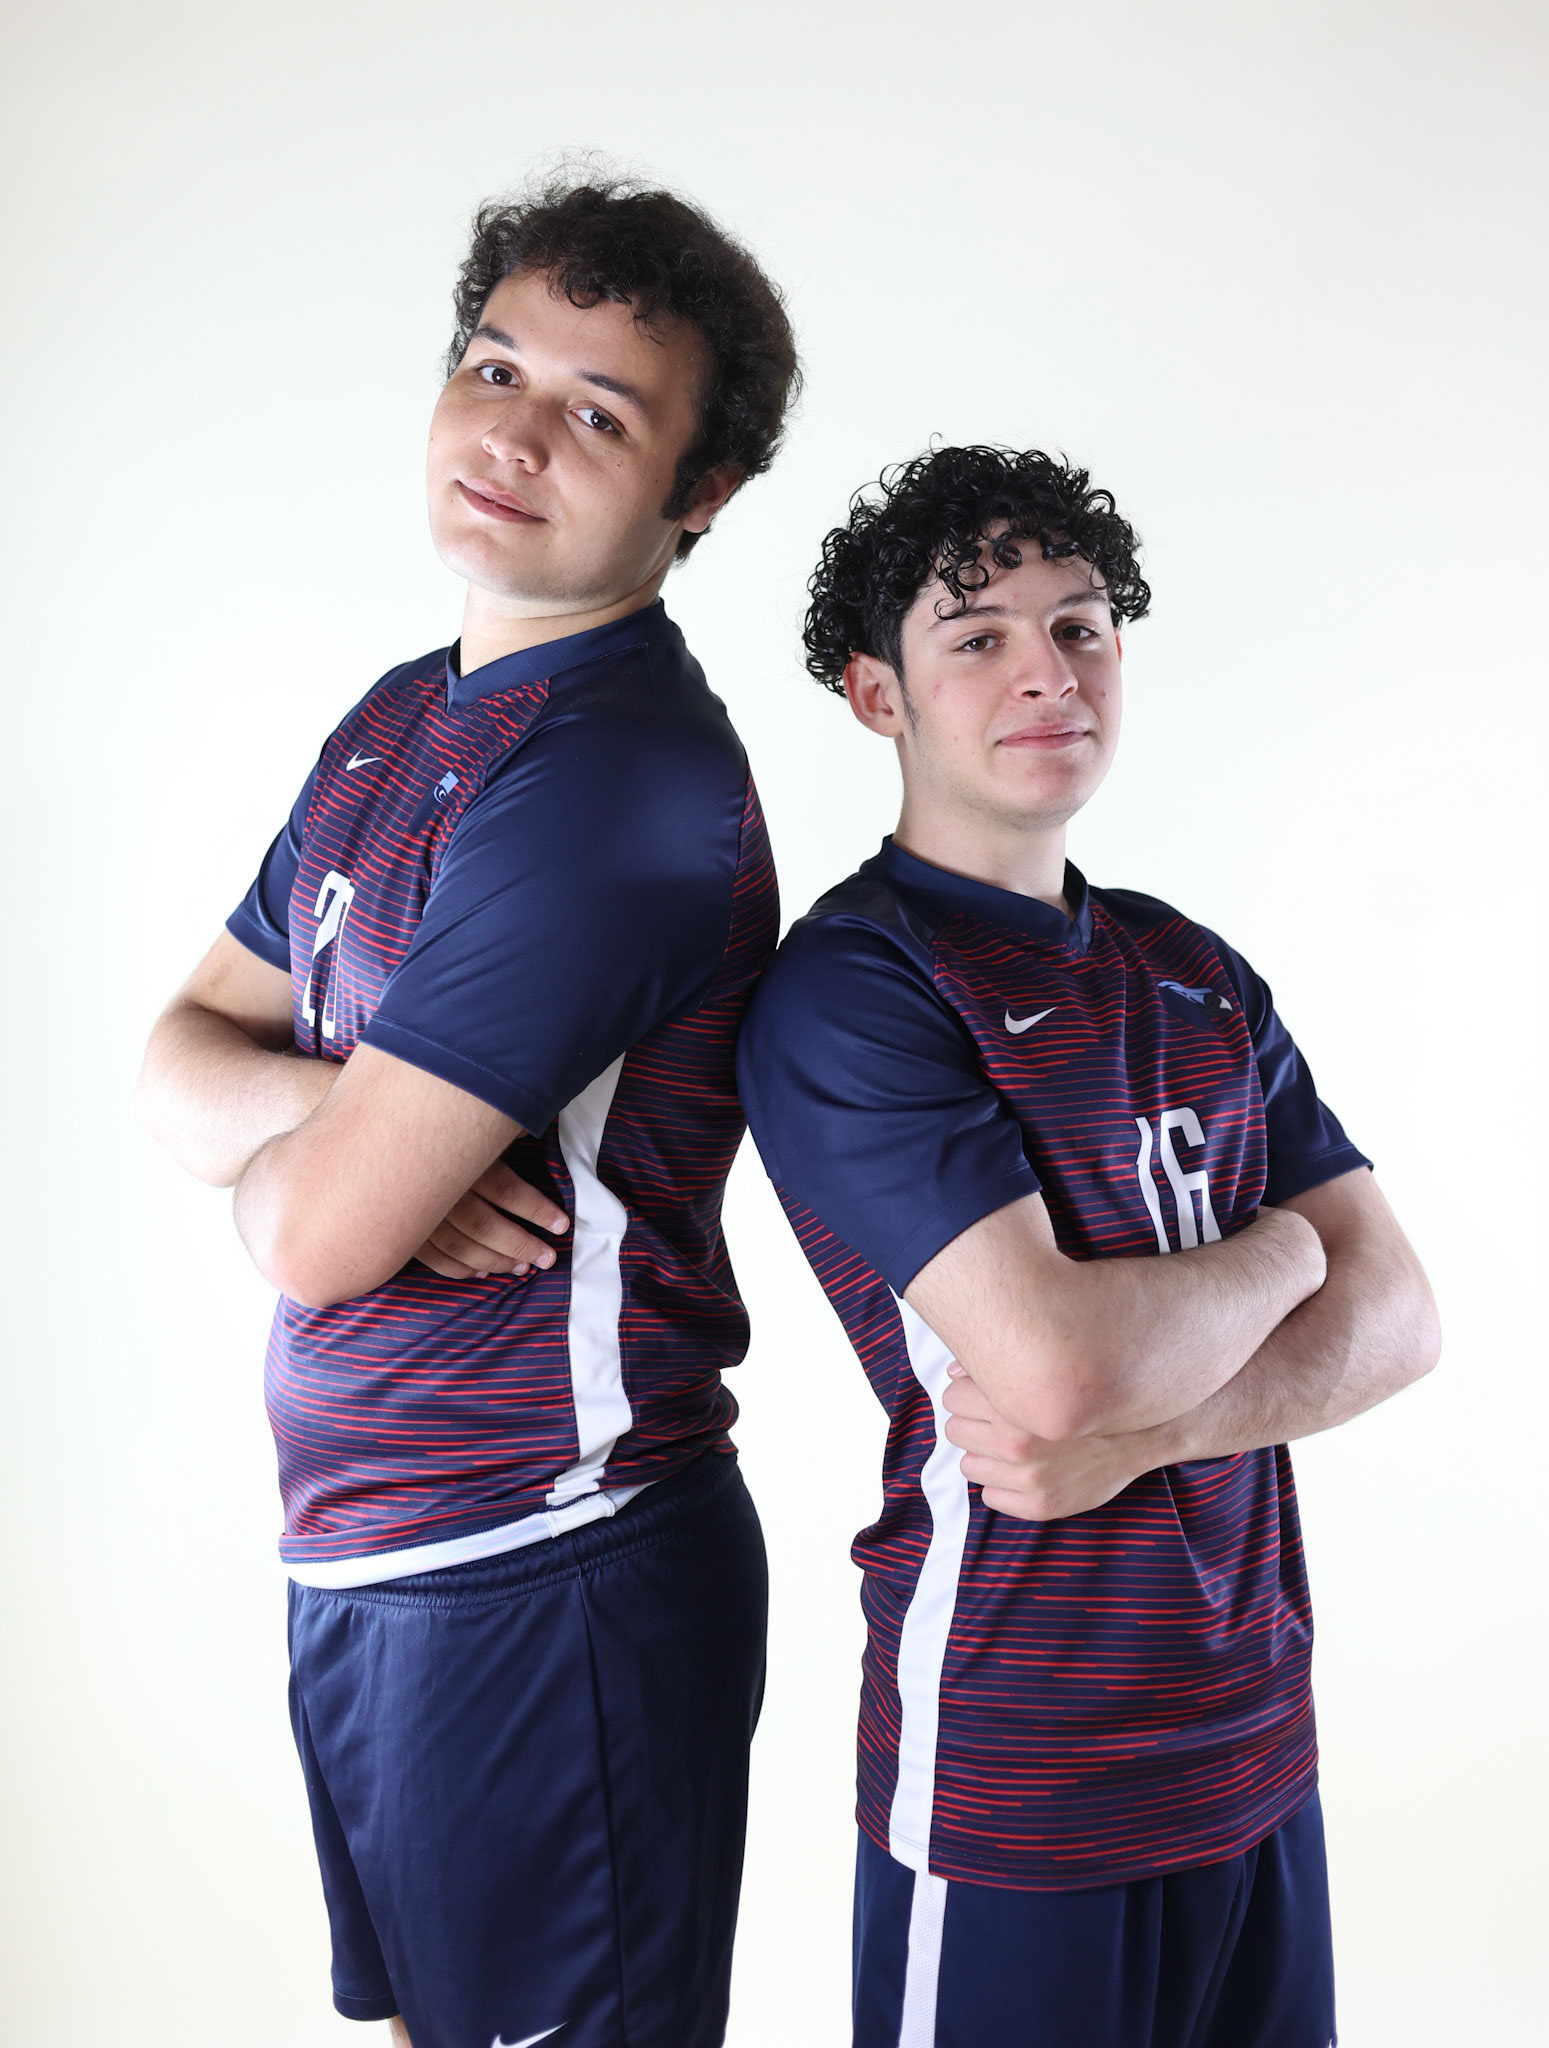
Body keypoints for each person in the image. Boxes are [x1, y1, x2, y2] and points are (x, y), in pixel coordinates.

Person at [138, 174, 798, 2048]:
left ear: (700, 497)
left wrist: (309, 1183)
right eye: (494, 364)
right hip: (376, 1560)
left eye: (600, 411)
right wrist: (330, 1141)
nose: (511, 431)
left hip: (546, 1562)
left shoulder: (617, 787)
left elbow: (323, 1237)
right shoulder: (396, 723)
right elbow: (174, 1050)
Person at [735, 445, 1440, 2048]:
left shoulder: (1191, 970)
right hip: (1017, 1779)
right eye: (976, 636)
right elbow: (1055, 1371)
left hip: (1255, 1746)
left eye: (1081, 624)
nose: (1047, 673)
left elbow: (1401, 1316)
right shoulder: (859, 987)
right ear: (873, 696)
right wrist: (1281, 1256)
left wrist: (1171, 1428)